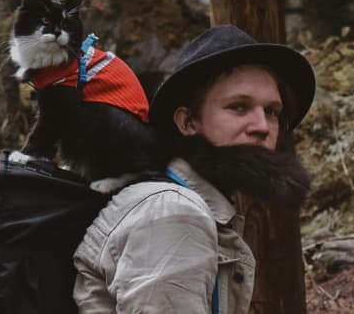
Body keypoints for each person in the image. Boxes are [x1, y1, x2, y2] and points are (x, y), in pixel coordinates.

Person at [73, 24, 316, 313]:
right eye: (238, 107)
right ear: (187, 122)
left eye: (272, 112)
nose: (262, 127)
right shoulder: (174, 212)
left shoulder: (182, 202)